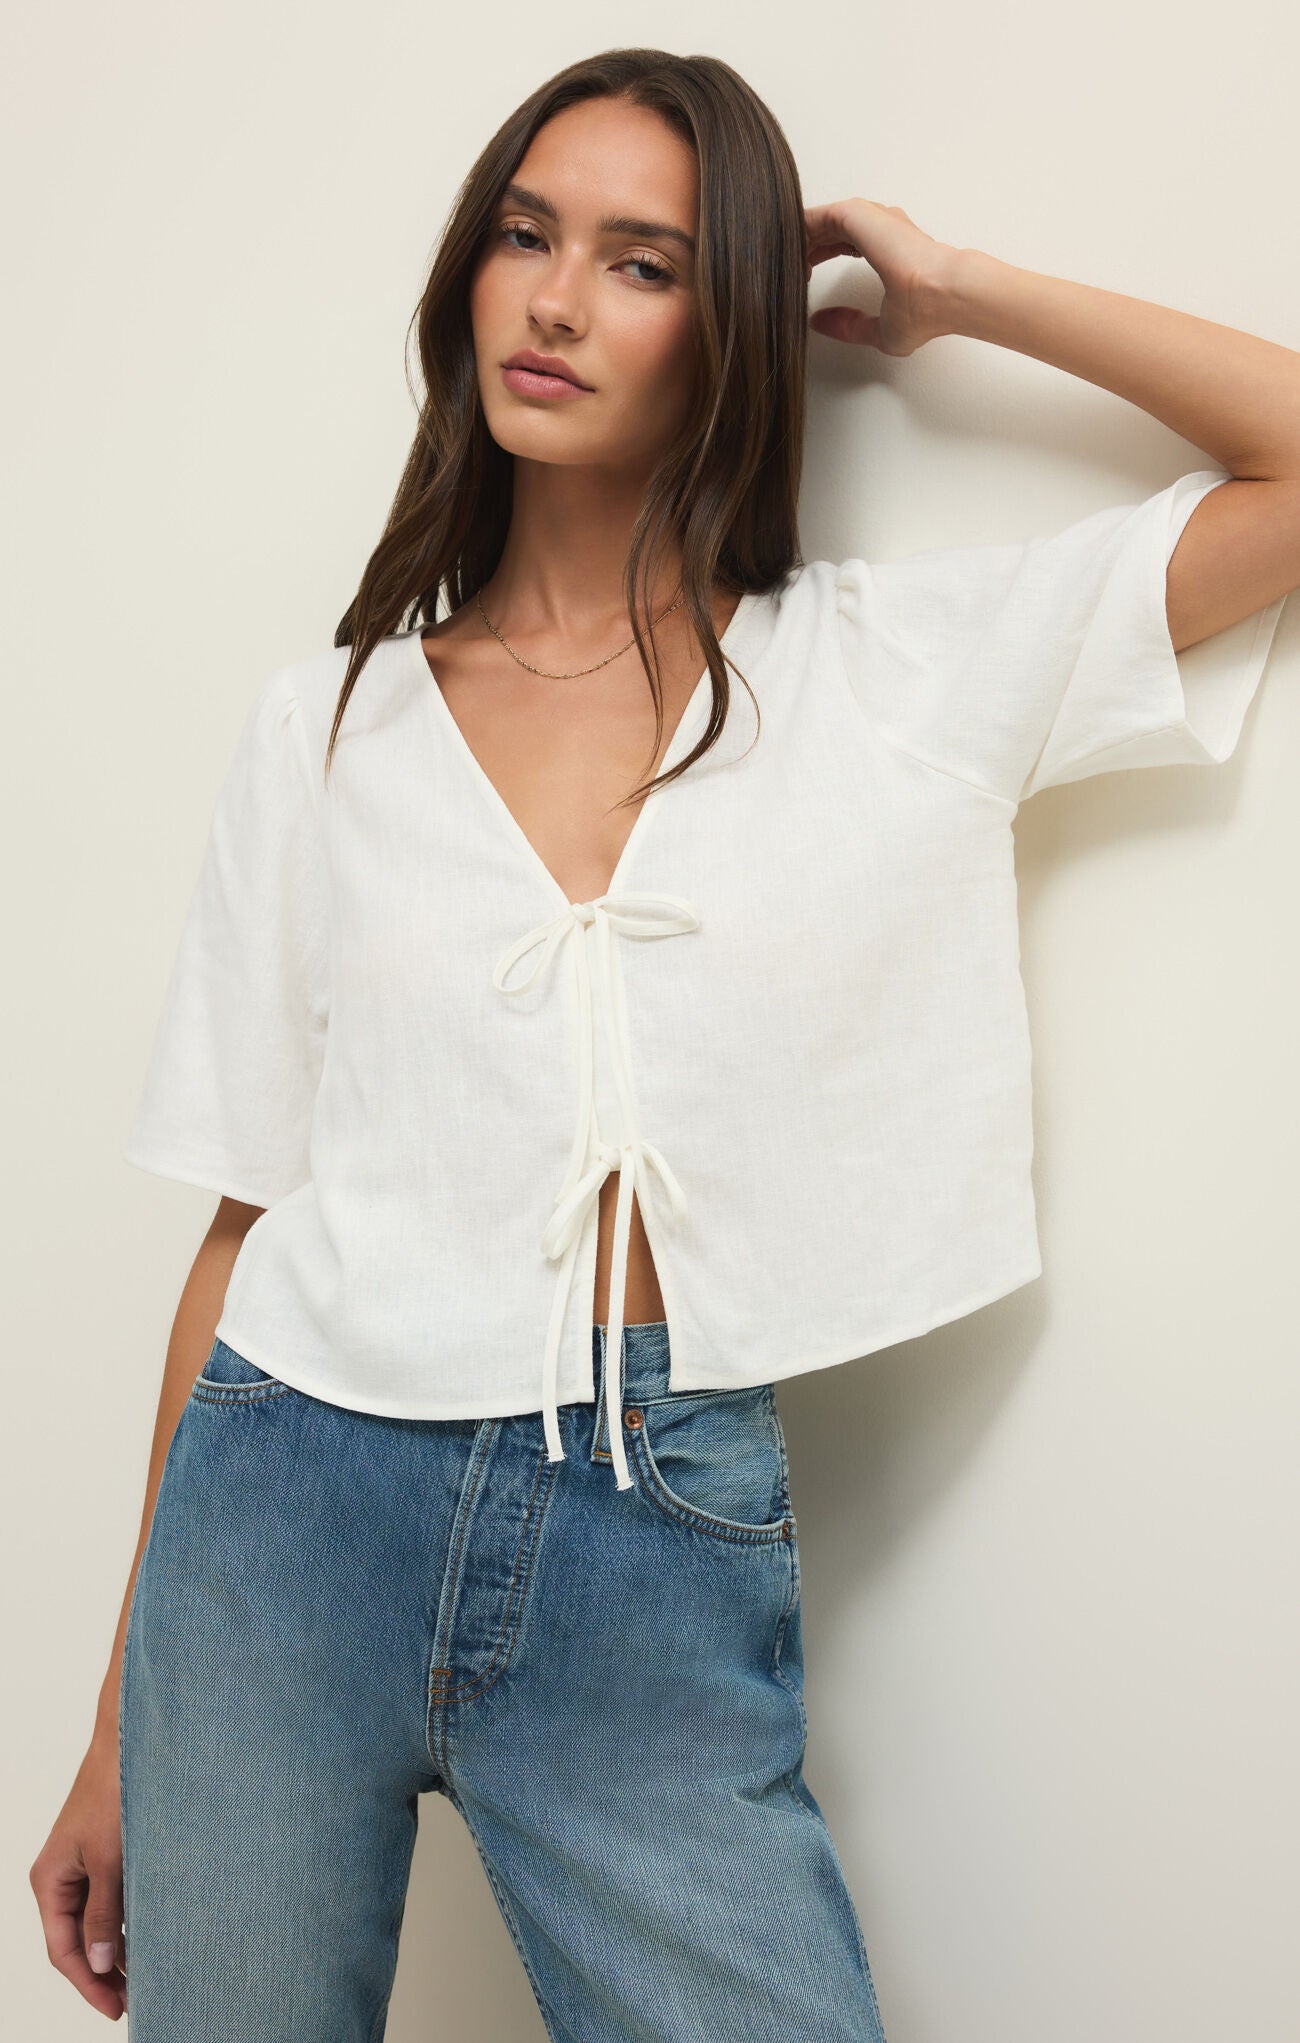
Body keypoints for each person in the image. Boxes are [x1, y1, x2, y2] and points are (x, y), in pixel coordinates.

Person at [29, 44, 1296, 2043]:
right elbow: (239, 1218)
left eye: (637, 261)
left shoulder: (894, 677)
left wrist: (959, 291)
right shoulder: (328, 727)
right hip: (277, 1512)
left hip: (652, 1518)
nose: (552, 299)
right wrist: (118, 1718)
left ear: (731, 333)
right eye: (525, 237)